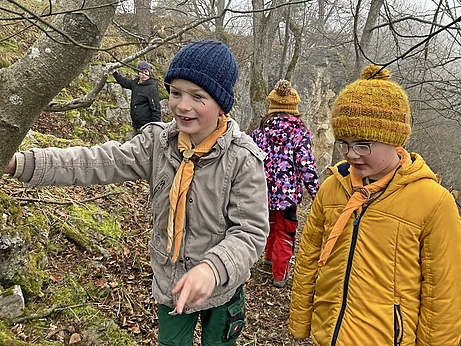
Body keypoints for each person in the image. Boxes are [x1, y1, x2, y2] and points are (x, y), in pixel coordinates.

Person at [4, 40, 269, 346]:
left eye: (198, 97)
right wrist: (19, 162)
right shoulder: (157, 143)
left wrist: (212, 268)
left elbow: (250, 232)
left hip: (224, 285)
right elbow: (96, 162)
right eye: (175, 92)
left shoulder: (243, 159)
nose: (183, 106)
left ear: (222, 103)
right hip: (172, 284)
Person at [288, 64, 461, 345]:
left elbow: (442, 294)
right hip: (327, 334)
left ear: (395, 140)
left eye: (363, 144)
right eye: (344, 143)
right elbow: (308, 257)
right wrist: (300, 321)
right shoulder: (334, 186)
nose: (351, 154)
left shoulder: (434, 202)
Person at [251, 79, 319, 288]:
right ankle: (280, 275)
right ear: (294, 109)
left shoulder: (260, 132)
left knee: (269, 225)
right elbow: (306, 165)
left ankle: (269, 258)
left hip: (262, 191)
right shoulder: (299, 133)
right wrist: (317, 193)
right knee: (285, 231)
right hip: (288, 196)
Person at [111, 60, 162, 131]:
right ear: (138, 73)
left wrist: (156, 127)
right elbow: (124, 82)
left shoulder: (151, 88)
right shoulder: (135, 83)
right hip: (136, 124)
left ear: (149, 72)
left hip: (147, 126)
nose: (144, 74)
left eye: (146, 72)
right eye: (141, 72)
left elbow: (156, 108)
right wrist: (114, 72)